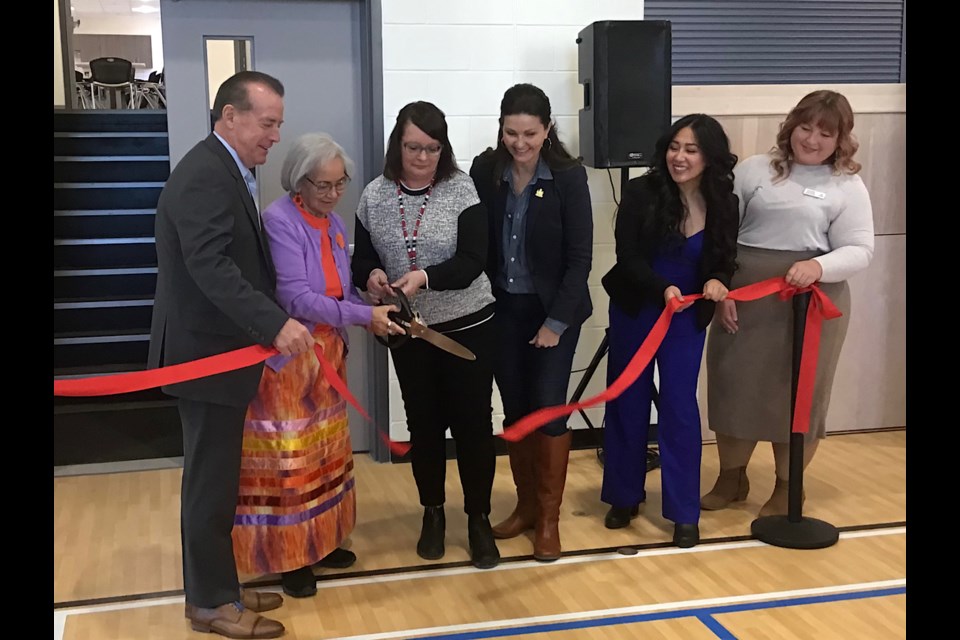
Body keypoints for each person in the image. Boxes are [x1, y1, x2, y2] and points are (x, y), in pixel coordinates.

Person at [149, 71, 314, 639]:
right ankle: (210, 605)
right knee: (208, 483)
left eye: (277, 124)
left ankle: (218, 586)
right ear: (230, 116)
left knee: (218, 482)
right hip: (204, 357)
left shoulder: (225, 169)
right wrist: (276, 323)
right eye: (267, 123)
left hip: (222, 354)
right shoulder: (204, 175)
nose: (274, 136)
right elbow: (210, 267)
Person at [230, 133, 397, 599]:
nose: (331, 194)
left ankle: (320, 543)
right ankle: (289, 557)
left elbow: (337, 292)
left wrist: (371, 292)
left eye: (339, 183)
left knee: (326, 458)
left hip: (327, 357)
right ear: (297, 182)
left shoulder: (334, 224)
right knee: (291, 464)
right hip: (290, 362)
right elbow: (297, 298)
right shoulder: (279, 221)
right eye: (322, 185)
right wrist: (366, 317)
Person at [702, 90, 874, 517]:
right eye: (805, 127)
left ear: (840, 140)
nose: (811, 140)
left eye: (825, 133)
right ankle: (731, 477)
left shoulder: (847, 185)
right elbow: (722, 232)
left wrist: (819, 268)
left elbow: (860, 248)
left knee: (799, 393)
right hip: (744, 298)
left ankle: (787, 485)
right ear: (791, 126)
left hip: (810, 305)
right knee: (733, 384)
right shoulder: (755, 169)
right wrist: (723, 288)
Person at [351, 101, 501, 570]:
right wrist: (374, 275)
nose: (422, 156)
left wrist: (424, 277)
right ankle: (432, 513)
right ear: (397, 144)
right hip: (409, 332)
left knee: (474, 426)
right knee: (424, 425)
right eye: (414, 146)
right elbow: (361, 258)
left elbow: (474, 259)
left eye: (432, 148)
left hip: (467, 327)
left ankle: (478, 519)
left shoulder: (462, 189)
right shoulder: (374, 195)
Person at [600, 114, 739, 548]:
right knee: (627, 400)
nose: (679, 157)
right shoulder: (641, 191)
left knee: (680, 407)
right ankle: (623, 495)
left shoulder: (725, 201)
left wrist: (719, 281)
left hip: (685, 318)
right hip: (638, 306)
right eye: (674, 146)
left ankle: (683, 510)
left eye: (691, 149)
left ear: (710, 157)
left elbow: (722, 259)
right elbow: (628, 258)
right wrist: (663, 289)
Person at [468, 83, 593, 562]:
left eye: (530, 134)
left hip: (553, 312)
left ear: (547, 130)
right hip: (502, 309)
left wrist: (556, 323)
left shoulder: (567, 175)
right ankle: (523, 508)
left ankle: (549, 519)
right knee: (516, 409)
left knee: (548, 407)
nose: (519, 143)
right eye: (511, 133)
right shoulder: (487, 169)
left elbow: (579, 258)